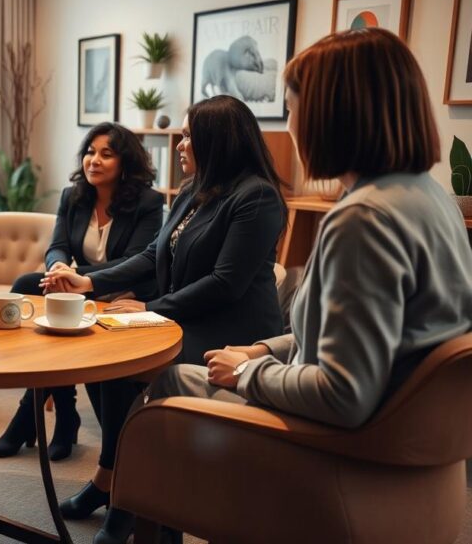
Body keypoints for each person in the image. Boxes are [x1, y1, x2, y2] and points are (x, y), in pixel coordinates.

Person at [94, 28, 472, 544]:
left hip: (339, 446)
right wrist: (267, 347)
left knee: (163, 395)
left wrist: (250, 369)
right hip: (404, 445)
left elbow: (343, 394)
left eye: (292, 109)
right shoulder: (432, 199)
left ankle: (141, 517)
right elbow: (368, 332)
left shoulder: (362, 219)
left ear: (330, 115)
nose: (290, 124)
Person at [44, 95, 286, 521]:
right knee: (106, 346)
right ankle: (115, 478)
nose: (179, 144)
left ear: (218, 141)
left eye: (189, 135)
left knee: (121, 354)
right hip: (184, 317)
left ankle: (118, 490)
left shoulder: (257, 197)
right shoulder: (194, 189)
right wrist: (91, 281)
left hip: (229, 331)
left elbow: (225, 285)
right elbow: (154, 252)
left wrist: (149, 310)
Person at [0, 122, 164, 462]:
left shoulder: (148, 203)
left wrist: (76, 274)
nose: (94, 160)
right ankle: (65, 414)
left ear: (126, 162)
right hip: (83, 288)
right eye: (90, 152)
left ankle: (30, 417)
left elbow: (136, 259)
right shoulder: (74, 196)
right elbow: (58, 246)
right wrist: (58, 268)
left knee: (56, 305)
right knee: (27, 286)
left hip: (126, 293)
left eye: (106, 154)